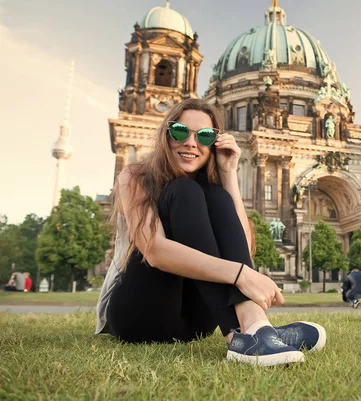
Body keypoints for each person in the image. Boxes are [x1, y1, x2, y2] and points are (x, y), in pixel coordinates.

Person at [95, 99, 325, 367]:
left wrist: (229, 175)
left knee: (214, 194)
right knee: (184, 190)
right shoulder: (135, 175)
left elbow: (245, 246)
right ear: (166, 134)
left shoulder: (213, 189)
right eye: (180, 131)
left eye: (203, 136)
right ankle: (244, 335)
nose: (191, 143)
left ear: (213, 143)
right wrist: (241, 275)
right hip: (139, 316)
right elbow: (155, 251)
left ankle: (255, 327)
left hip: (196, 324)